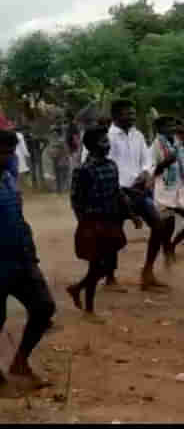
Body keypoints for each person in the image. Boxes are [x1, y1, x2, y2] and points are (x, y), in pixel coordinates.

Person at [81, 99, 168, 292]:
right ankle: (110, 278)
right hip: (115, 194)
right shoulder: (105, 136)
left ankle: (148, 273)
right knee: (114, 236)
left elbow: (146, 160)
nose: (132, 116)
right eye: (127, 113)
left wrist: (145, 172)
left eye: (133, 113)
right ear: (115, 116)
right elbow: (94, 163)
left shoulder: (137, 135)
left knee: (158, 225)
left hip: (138, 191)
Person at [0, 129, 56, 396]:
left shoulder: (8, 179)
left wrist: (30, 253)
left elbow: (18, 219)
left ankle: (20, 363)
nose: (7, 157)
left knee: (44, 307)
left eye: (9, 152)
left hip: (21, 260)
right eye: (2, 152)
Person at [68, 127, 142, 323]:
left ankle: (76, 289)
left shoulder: (111, 165)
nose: (107, 145)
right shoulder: (83, 170)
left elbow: (118, 193)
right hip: (93, 223)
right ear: (91, 146)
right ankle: (89, 310)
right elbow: (76, 200)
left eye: (107, 141)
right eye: (102, 142)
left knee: (104, 266)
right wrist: (84, 225)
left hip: (110, 220)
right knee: (96, 265)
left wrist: (132, 215)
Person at [150, 116, 184, 267]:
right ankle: (167, 253)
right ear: (159, 129)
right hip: (163, 189)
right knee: (168, 225)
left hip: (178, 188)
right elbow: (151, 170)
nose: (172, 129)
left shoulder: (177, 143)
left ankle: (172, 245)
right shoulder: (155, 146)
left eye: (173, 126)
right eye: (167, 126)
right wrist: (165, 163)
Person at [45, 124, 71, 193]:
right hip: (57, 160)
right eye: (53, 132)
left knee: (62, 174)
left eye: (55, 132)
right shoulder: (53, 140)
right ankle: (60, 189)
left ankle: (63, 189)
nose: (54, 133)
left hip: (61, 159)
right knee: (59, 175)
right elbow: (50, 151)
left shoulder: (60, 140)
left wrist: (66, 156)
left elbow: (66, 150)